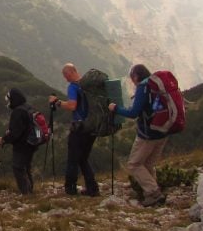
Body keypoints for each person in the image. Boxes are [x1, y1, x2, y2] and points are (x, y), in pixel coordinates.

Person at [109, 64, 168, 207]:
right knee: (148, 164)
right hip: (164, 130)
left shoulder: (143, 87)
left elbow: (133, 113)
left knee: (134, 164)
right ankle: (152, 195)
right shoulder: (156, 84)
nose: (132, 81)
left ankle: (154, 192)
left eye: (132, 78)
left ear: (136, 76)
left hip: (148, 134)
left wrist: (115, 108)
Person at [49, 63, 100, 197]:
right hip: (92, 127)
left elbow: (72, 105)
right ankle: (92, 188)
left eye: (66, 75)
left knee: (73, 159)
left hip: (79, 128)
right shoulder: (88, 85)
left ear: (71, 72)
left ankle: (70, 188)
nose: (66, 79)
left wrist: (58, 102)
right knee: (83, 158)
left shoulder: (73, 86)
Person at [0, 88, 38, 195]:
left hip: (22, 145)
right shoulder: (27, 107)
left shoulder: (18, 112)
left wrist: (4, 139)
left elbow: (15, 133)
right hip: (32, 143)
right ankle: (30, 190)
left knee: (18, 167)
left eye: (9, 100)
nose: (8, 103)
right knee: (26, 167)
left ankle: (26, 193)